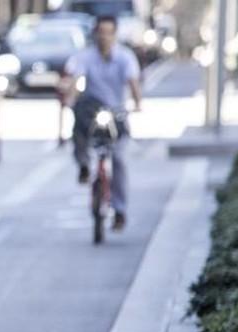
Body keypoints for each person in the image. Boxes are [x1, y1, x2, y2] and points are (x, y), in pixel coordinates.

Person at [58, 15, 141, 231]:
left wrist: (138, 103)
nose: (104, 37)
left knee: (120, 160)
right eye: (100, 32)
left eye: (108, 33)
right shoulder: (86, 57)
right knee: (78, 124)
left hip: (117, 114)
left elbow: (133, 82)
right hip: (93, 110)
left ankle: (120, 210)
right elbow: (77, 81)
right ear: (95, 34)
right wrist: (71, 100)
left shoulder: (125, 57)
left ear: (115, 34)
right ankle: (84, 165)